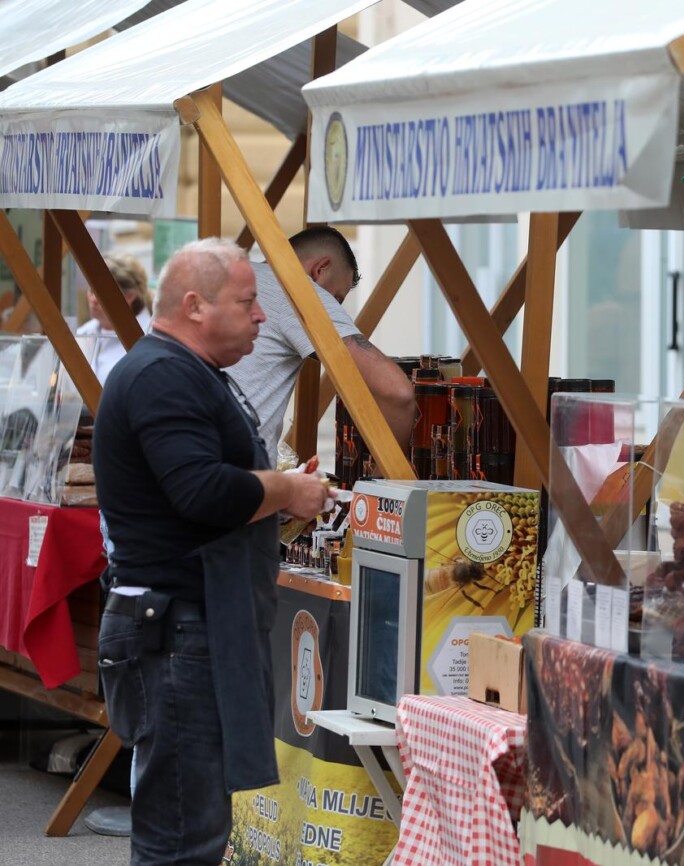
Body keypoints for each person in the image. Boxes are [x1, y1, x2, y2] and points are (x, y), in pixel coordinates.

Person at [93, 238, 335, 865]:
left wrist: (277, 498)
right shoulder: (163, 375)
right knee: (183, 836)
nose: (261, 315)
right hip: (175, 630)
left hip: (185, 626)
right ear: (196, 305)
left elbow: (203, 498)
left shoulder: (182, 371)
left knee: (193, 829)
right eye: (247, 301)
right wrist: (287, 489)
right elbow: (201, 494)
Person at [226, 225, 415, 460]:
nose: (335, 305)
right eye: (336, 298)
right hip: (235, 470)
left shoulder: (224, 277)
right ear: (320, 268)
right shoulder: (299, 291)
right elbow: (397, 391)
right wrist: (381, 475)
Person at [75, 251, 153, 382]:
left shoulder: (149, 337)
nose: (93, 299)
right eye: (91, 290)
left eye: (101, 292)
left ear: (129, 296)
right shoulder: (83, 333)